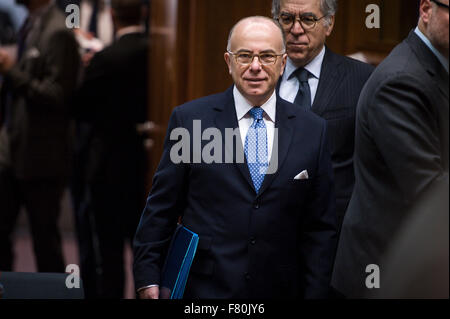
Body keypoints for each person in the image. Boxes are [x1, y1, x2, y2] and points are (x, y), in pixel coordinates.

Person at [133, 16, 337, 299]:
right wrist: (147, 278)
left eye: (266, 56)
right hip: (206, 291)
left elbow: (320, 229)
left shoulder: (312, 130)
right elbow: (161, 210)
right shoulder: (192, 121)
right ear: (229, 62)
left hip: (280, 289)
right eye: (245, 56)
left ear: (282, 63)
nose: (255, 67)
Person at [331, 0, 449, 298]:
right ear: (426, 10)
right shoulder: (402, 82)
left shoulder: (435, 65)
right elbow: (429, 190)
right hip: (386, 274)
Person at [272, 0, 374, 232]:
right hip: (270, 233)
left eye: (308, 20)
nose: (296, 30)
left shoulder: (362, 79)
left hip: (336, 232)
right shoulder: (259, 77)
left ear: (329, 24)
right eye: (287, 19)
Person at [75, 0, 149, 298]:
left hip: (108, 165)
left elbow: (80, 107)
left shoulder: (105, 59)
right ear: (143, 13)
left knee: (109, 251)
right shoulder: (159, 52)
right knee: (146, 249)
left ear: (112, 15)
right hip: (147, 164)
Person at [0, 0, 80, 272]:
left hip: (42, 159)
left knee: (45, 245)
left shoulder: (58, 30)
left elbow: (57, 95)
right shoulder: (32, 22)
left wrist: (11, 72)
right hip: (16, 150)